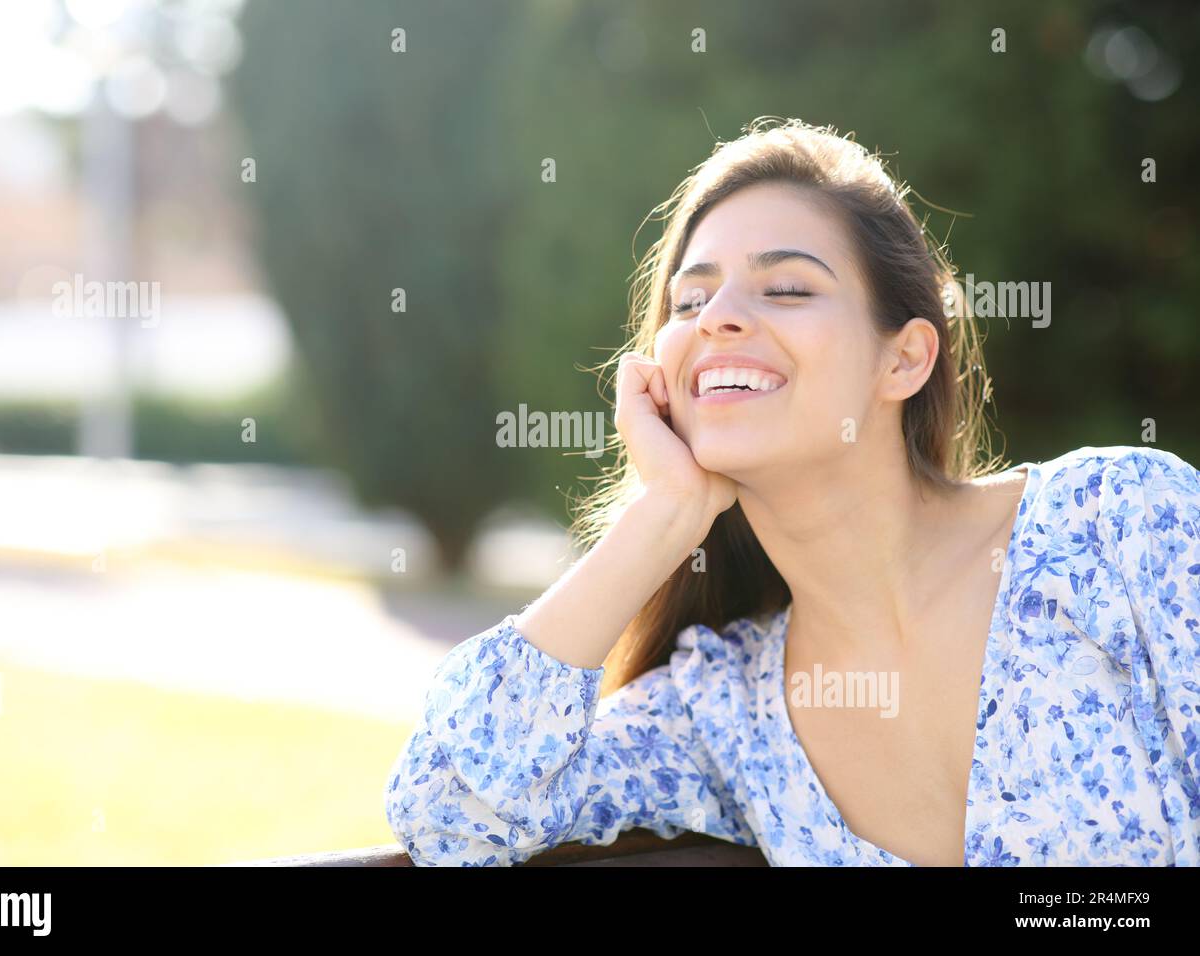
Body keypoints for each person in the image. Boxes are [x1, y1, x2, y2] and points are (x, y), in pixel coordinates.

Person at [383, 117, 1200, 866]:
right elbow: (449, 814)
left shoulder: (1118, 527)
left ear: (905, 360)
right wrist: (660, 517)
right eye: (691, 299)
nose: (718, 319)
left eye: (787, 289)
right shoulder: (724, 713)